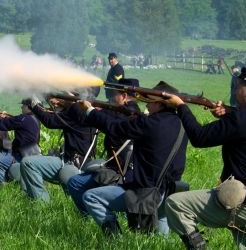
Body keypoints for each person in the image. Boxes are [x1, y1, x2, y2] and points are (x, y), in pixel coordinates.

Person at [164, 67, 246, 250]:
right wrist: (228, 114)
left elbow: (199, 138)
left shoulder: (242, 117)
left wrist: (181, 107)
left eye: (238, 86)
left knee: (175, 204)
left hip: (245, 206)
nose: (234, 90)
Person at [78, 81, 188, 236]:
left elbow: (116, 128)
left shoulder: (149, 123)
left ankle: (115, 239)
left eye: (150, 102)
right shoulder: (182, 123)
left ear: (160, 104)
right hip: (171, 189)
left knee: (91, 197)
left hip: (147, 192)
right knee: (160, 226)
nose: (147, 106)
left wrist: (90, 110)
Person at [66, 78, 142, 216]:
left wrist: (84, 108)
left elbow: (91, 120)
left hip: (119, 172)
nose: (112, 98)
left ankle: (90, 217)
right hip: (126, 169)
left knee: (75, 183)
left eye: (115, 95)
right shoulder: (133, 112)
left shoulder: (123, 113)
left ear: (124, 96)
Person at [19, 96, 97, 201]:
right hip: (80, 161)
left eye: (60, 98)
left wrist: (34, 103)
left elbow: (50, 121)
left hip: (74, 163)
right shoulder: (85, 110)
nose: (55, 102)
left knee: (28, 163)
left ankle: (42, 205)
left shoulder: (76, 108)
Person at [0, 98, 41, 183]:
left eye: (23, 105)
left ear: (28, 107)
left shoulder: (24, 119)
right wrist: (6, 118)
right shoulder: (35, 119)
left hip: (21, 156)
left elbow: (1, 124)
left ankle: (1, 184)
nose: (21, 107)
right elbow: (15, 122)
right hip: (31, 153)